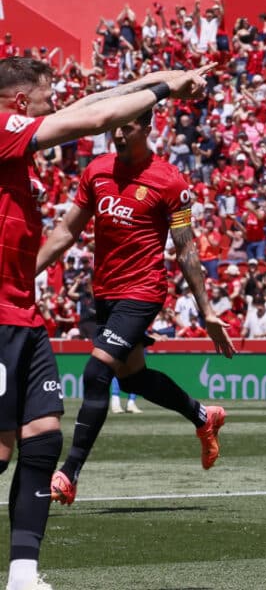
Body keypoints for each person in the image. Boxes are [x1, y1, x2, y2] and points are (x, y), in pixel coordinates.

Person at [0, 56, 211, 590]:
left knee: (43, 435)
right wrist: (168, 85)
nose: (57, 104)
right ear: (21, 102)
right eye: (48, 96)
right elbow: (93, 119)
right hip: (3, 314)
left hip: (30, 313)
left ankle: (24, 574)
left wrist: (162, 81)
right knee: (2, 449)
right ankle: (199, 415)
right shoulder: (2, 128)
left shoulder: (168, 179)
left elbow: (93, 105)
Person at [36, 107, 235, 507]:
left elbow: (186, 250)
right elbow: (67, 231)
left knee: (96, 372)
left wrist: (207, 310)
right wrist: (25, 276)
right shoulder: (97, 171)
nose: (118, 135)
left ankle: (69, 472)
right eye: (114, 127)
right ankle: (203, 416)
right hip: (105, 292)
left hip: (142, 291)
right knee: (131, 378)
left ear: (147, 127)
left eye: (126, 127)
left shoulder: (169, 182)